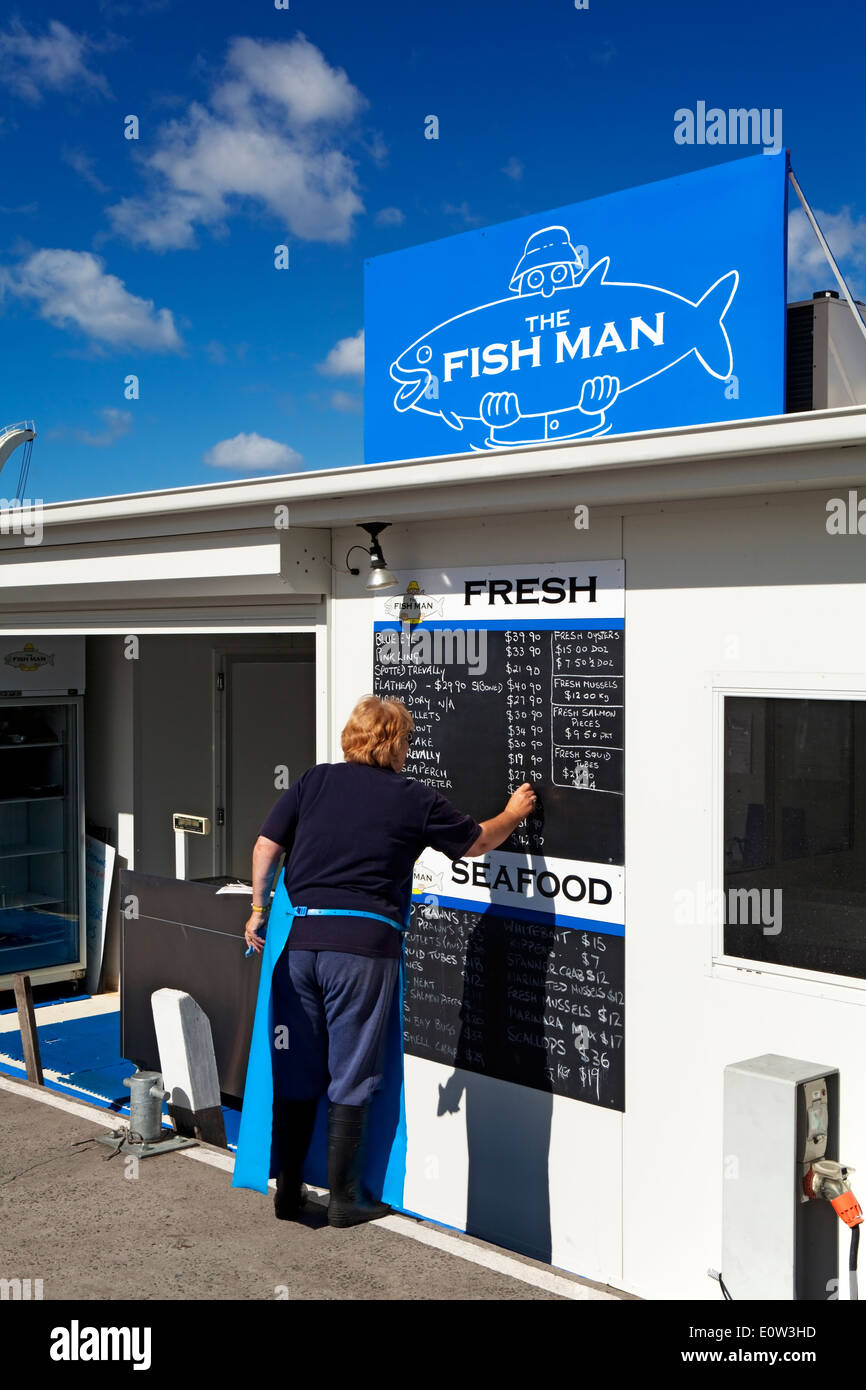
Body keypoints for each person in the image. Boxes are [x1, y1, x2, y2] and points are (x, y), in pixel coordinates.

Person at [232, 693, 536, 1228]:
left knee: (297, 1070)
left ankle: (287, 1194)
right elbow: (476, 844)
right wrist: (513, 812)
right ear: (395, 744)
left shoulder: (311, 782)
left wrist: (259, 910)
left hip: (299, 944)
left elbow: (264, 849)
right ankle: (346, 1200)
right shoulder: (412, 799)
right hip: (363, 951)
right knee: (351, 1072)